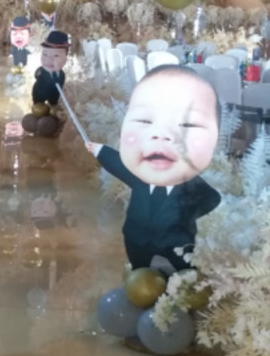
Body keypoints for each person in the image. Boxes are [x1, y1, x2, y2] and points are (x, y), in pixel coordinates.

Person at [86, 65, 221, 272]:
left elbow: (212, 198)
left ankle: (181, 284)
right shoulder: (138, 175)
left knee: (183, 276)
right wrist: (99, 150)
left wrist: (187, 213)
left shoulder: (191, 185)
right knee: (138, 273)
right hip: (136, 238)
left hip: (176, 242)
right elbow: (117, 164)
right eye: (144, 120)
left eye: (186, 125)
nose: (161, 135)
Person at [32, 30, 69, 106]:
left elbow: (61, 84)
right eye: (45, 54)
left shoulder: (61, 75)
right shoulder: (41, 71)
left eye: (56, 56)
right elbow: (36, 76)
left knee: (54, 104)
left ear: (65, 60)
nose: (49, 59)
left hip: (54, 95)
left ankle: (53, 105)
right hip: (40, 93)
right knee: (38, 106)